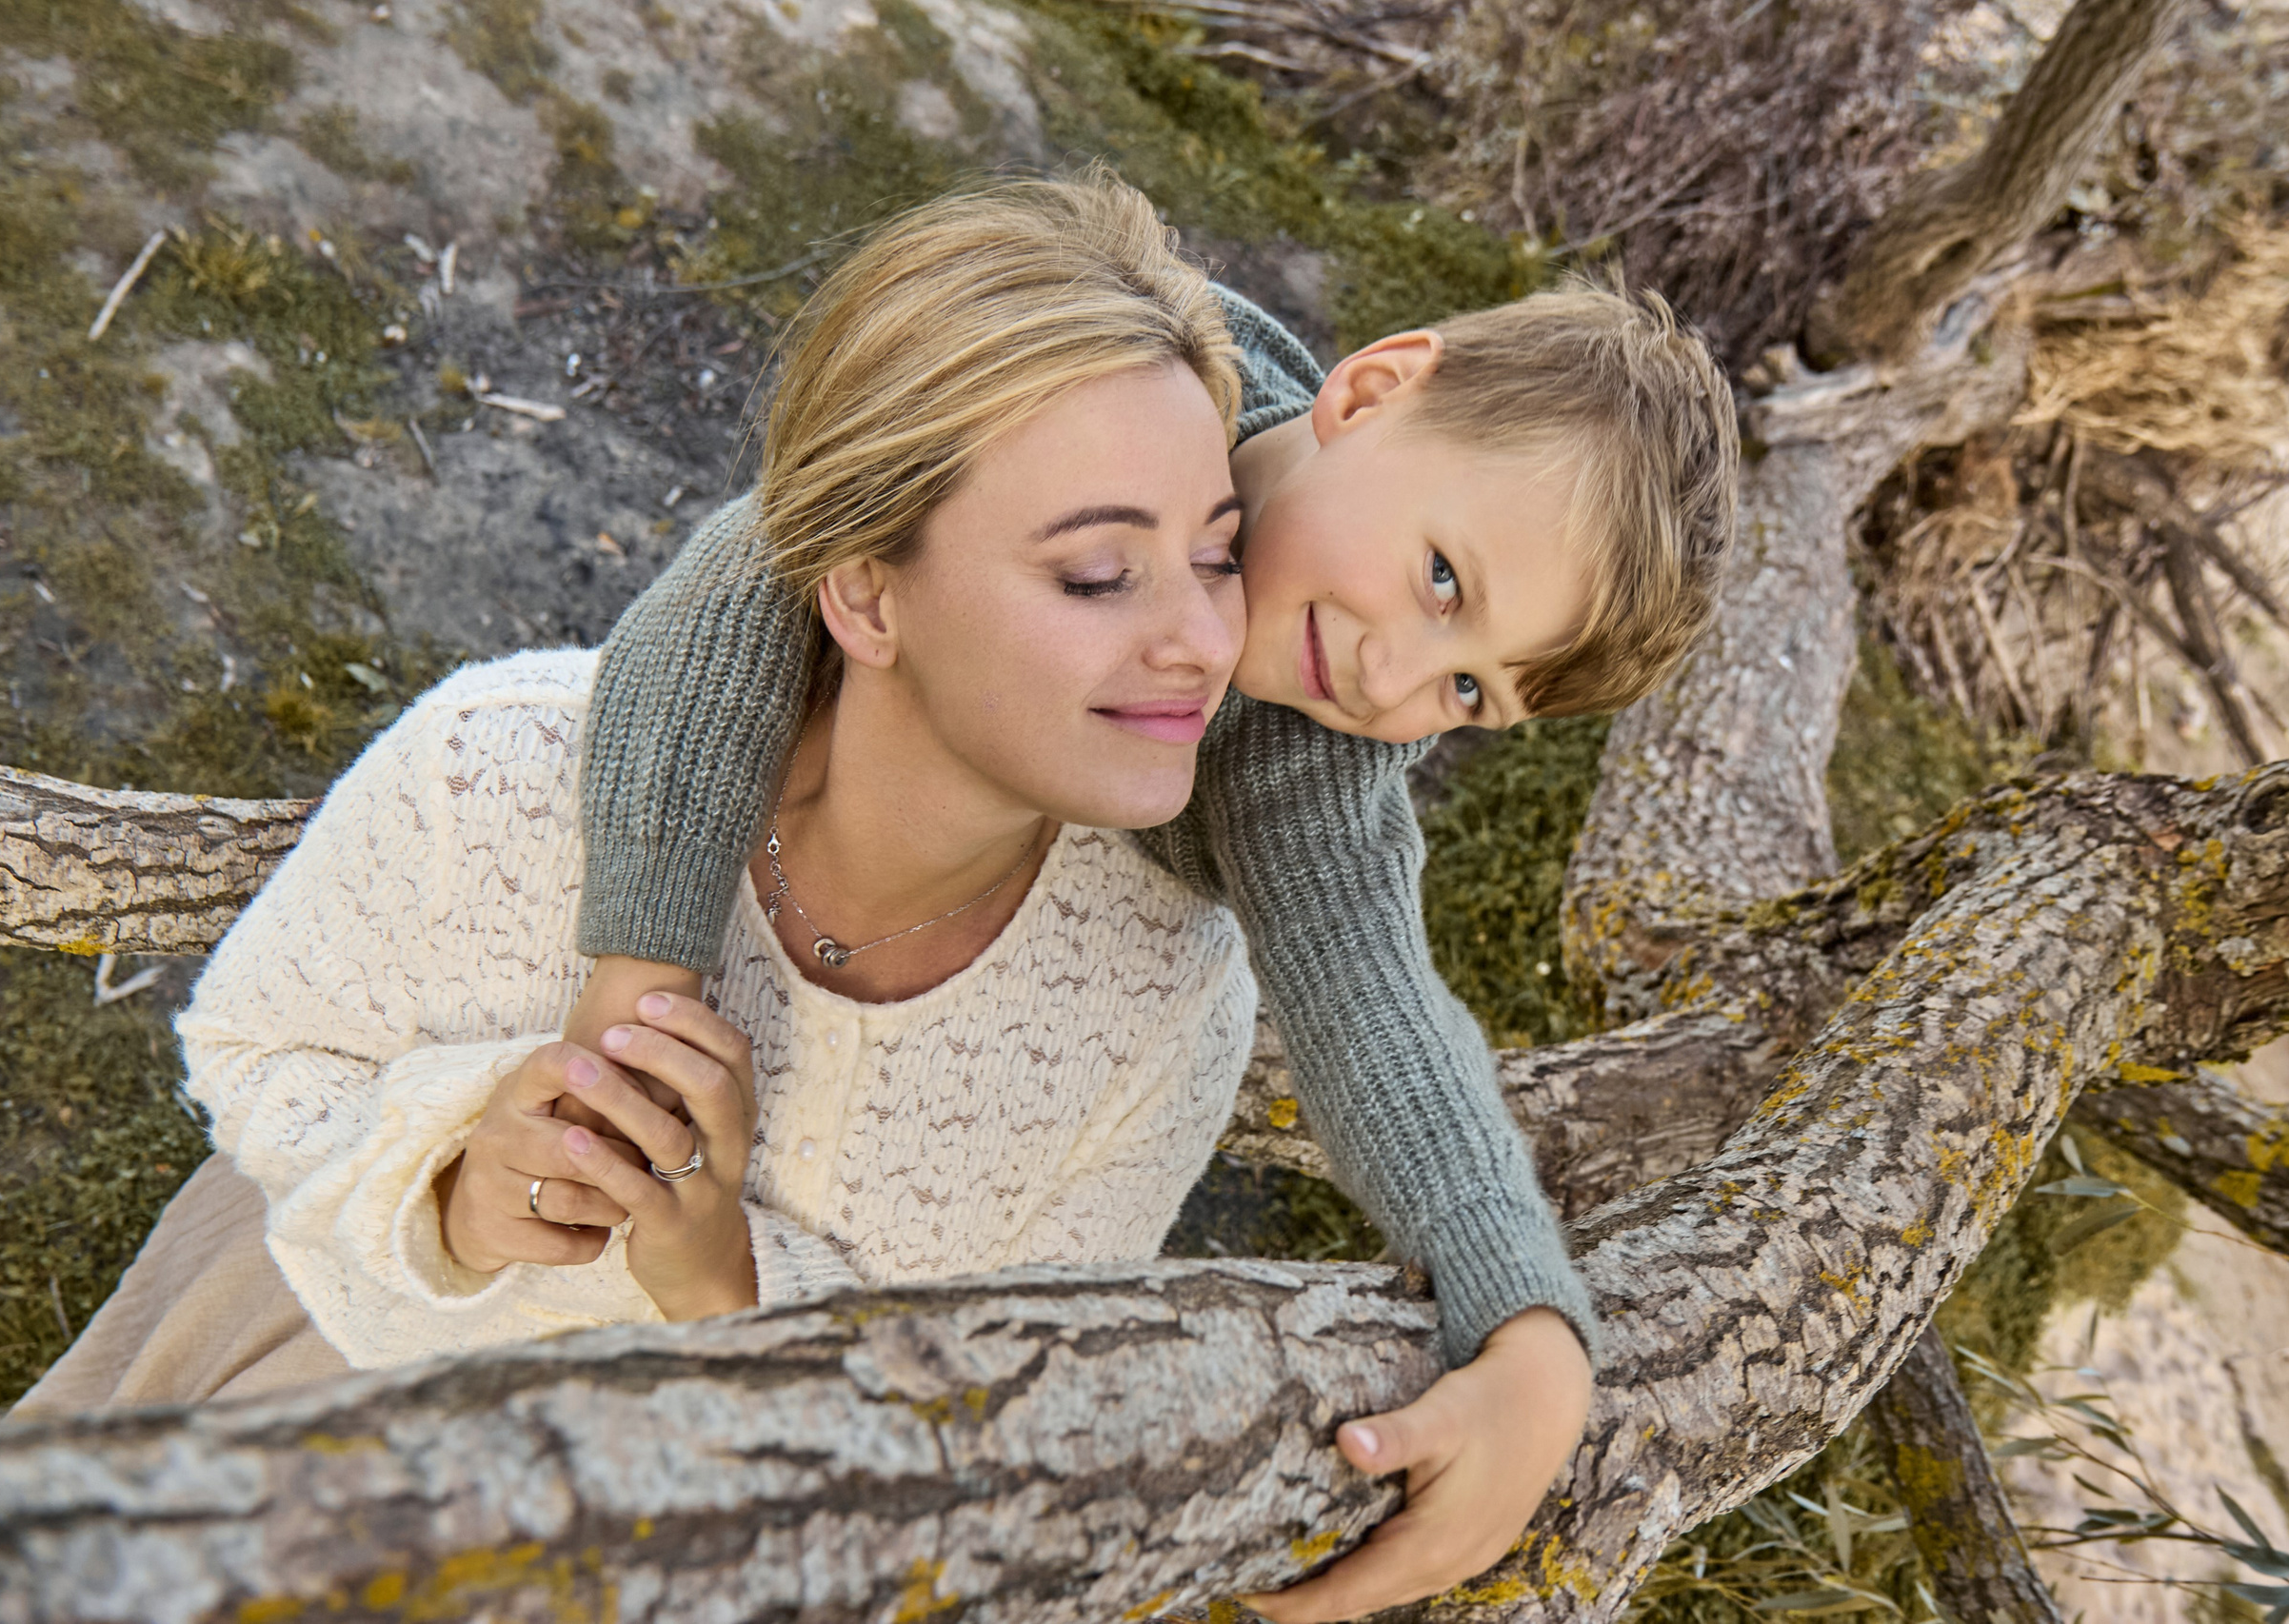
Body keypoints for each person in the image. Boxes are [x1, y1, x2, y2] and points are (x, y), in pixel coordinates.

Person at [565, 182, 1738, 1617]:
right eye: (1442, 580)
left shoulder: (1308, 759)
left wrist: (1530, 1325)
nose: (1395, 683)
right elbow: (753, 568)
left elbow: (1374, 1005)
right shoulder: (1154, 380)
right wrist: (646, 953)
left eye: (1469, 687)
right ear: (1370, 391)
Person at [15, 175, 1263, 1412]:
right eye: (1100, 571)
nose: (1203, 639)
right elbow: (252, 1046)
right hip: (306, 1372)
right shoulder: (497, 770)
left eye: (1218, 553)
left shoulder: (1167, 999)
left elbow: (1006, 1395)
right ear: (870, 593)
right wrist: (456, 1186)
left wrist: (730, 1280)